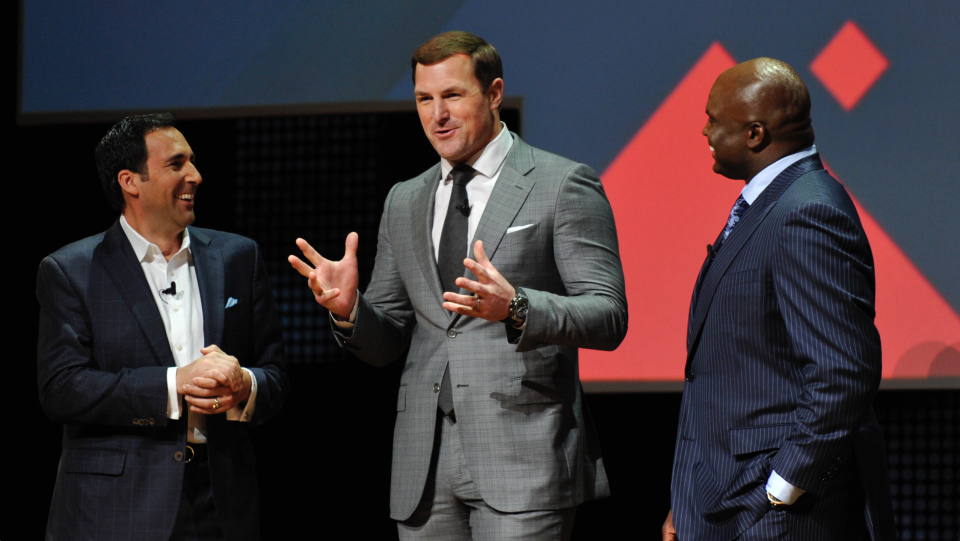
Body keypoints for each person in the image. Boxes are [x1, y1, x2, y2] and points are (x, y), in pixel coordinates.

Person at [290, 31, 627, 540]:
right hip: (423, 465)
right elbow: (388, 340)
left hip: (524, 455)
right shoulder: (405, 199)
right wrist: (350, 310)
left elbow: (607, 314)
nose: (436, 115)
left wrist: (516, 306)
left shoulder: (561, 183)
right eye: (424, 99)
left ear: (493, 94)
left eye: (452, 96)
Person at [662, 59, 896, 541]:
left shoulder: (806, 210)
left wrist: (783, 487)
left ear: (754, 133)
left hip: (779, 516)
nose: (704, 130)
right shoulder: (771, 204)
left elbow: (842, 371)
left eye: (713, 119)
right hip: (725, 500)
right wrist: (689, 504)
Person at [37, 113, 288, 541]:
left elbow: (276, 376)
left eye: (192, 161)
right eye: (176, 164)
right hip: (115, 508)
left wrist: (245, 385)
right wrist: (175, 385)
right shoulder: (72, 270)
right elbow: (62, 389)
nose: (196, 175)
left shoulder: (237, 257)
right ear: (130, 182)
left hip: (223, 503)